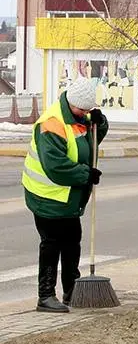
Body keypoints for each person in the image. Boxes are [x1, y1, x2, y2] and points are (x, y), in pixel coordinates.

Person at [22, 77, 108, 313]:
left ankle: (72, 290)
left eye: (89, 110)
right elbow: (56, 166)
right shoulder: (51, 124)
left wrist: (99, 124)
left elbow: (89, 141)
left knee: (72, 241)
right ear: (72, 102)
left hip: (68, 197)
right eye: (83, 109)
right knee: (51, 244)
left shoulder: (79, 118)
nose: (86, 113)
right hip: (47, 196)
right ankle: (46, 296)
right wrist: (85, 174)